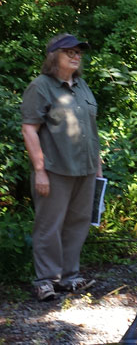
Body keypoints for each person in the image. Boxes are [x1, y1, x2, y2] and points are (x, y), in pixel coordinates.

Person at [21, 33, 102, 301]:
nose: (77, 56)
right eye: (70, 52)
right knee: (49, 225)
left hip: (86, 168)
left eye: (79, 52)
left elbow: (91, 129)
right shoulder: (41, 86)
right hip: (55, 169)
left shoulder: (82, 87)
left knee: (78, 223)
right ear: (54, 56)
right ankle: (46, 280)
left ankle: (70, 277)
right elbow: (30, 129)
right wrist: (40, 170)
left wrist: (98, 167)